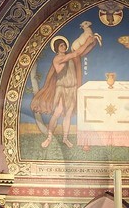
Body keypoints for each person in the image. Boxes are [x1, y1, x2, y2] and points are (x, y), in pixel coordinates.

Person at [29, 21, 100, 149]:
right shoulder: (57, 59)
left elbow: (81, 52)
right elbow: (77, 53)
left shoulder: (70, 56)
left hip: (72, 89)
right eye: (61, 45)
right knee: (58, 112)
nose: (63, 47)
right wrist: (87, 42)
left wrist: (92, 43)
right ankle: (49, 138)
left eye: (63, 45)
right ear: (56, 48)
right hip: (62, 89)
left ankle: (65, 138)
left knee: (68, 115)